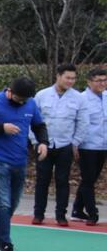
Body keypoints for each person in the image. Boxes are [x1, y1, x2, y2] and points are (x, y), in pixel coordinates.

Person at [0, 77, 48, 251]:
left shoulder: (30, 104)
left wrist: (43, 142)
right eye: (19, 98)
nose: (22, 102)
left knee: (12, 203)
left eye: (25, 99)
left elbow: (39, 125)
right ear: (10, 92)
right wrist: (1, 128)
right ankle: (7, 244)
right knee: (3, 204)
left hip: (20, 161)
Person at [33, 65, 84, 227]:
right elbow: (32, 120)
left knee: (63, 180)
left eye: (73, 78)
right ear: (58, 76)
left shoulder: (78, 98)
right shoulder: (42, 95)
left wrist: (75, 143)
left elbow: (83, 122)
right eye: (67, 77)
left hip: (65, 145)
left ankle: (61, 215)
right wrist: (36, 142)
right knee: (42, 180)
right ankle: (38, 214)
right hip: (44, 145)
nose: (71, 81)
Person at [73, 67, 107, 226]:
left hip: (103, 145)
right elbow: (77, 122)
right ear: (89, 82)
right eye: (98, 80)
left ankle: (77, 209)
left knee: (91, 179)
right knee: (88, 180)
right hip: (86, 145)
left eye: (104, 80)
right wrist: (75, 145)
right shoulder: (81, 98)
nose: (102, 83)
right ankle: (93, 213)